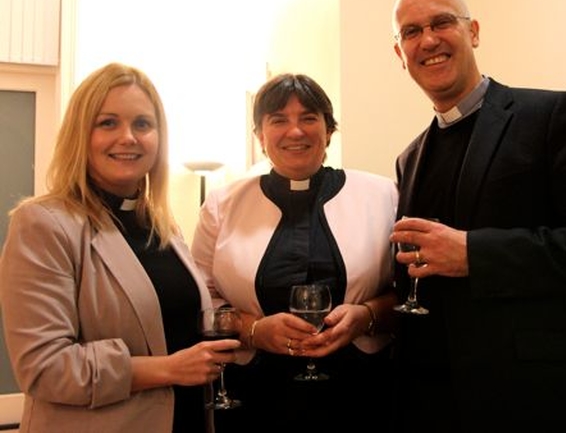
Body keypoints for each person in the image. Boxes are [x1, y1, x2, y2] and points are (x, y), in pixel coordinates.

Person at [388, 0, 566, 433]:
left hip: (539, 401)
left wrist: (474, 254)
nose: (428, 40)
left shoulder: (550, 116)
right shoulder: (409, 158)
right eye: (410, 31)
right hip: (437, 406)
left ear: (474, 31)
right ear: (399, 55)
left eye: (442, 22)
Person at [0, 62, 239, 433]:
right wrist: (168, 369)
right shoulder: (43, 224)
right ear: (81, 134)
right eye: (107, 123)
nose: (128, 137)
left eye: (142, 124)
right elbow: (45, 368)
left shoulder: (162, 225)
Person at [191, 73, 398, 433]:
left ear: (329, 131)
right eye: (278, 120)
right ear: (260, 136)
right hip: (253, 394)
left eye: (308, 118)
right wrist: (253, 329)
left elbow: (413, 291)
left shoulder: (383, 196)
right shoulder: (222, 205)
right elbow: (200, 299)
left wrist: (365, 317)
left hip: (361, 391)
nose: (295, 131)